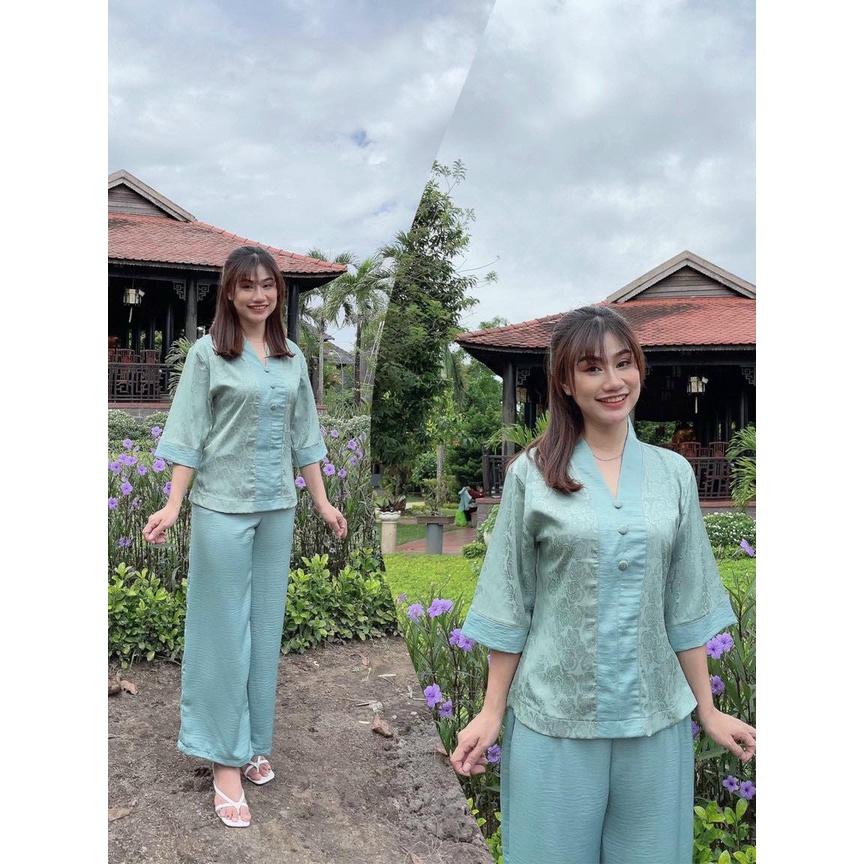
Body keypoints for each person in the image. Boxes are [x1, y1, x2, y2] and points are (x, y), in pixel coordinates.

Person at [450, 305, 755, 864]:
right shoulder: (532, 473)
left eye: (623, 363)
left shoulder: (673, 475)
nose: (613, 381)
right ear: (566, 382)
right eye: (592, 368)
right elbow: (510, 600)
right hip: (554, 718)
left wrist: (708, 710)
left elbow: (685, 603)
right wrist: (491, 712)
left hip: (654, 722)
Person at [143, 246, 347, 828]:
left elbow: (305, 438)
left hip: (276, 507)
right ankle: (223, 759)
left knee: (262, 628)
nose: (260, 296)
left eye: (268, 286)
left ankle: (253, 740)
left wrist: (323, 502)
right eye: (247, 286)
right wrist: (173, 504)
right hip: (221, 508)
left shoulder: (292, 357)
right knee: (220, 632)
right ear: (229, 293)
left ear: (278, 293)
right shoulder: (208, 354)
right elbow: (189, 432)